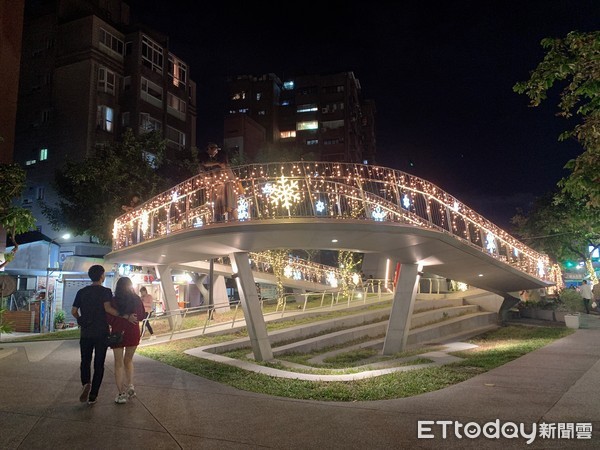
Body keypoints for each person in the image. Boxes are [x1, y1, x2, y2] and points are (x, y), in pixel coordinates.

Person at [71, 265, 135, 405]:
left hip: (86, 332)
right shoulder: (105, 291)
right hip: (101, 332)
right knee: (99, 364)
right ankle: (93, 396)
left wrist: (80, 319)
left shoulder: (82, 292)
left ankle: (85, 383)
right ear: (101, 276)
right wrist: (123, 316)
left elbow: (74, 311)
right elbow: (108, 308)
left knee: (85, 361)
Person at [107, 277, 145, 404]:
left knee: (118, 363)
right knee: (129, 360)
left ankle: (121, 394)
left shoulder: (113, 301)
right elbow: (141, 316)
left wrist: (119, 319)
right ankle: (130, 386)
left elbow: (109, 318)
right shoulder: (136, 299)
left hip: (118, 333)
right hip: (133, 333)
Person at [199, 143, 238, 221]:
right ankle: (222, 220)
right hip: (219, 183)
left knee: (229, 203)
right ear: (210, 149)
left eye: (216, 150)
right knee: (220, 204)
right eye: (215, 150)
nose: (216, 152)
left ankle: (235, 220)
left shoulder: (221, 157)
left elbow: (222, 165)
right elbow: (204, 165)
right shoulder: (210, 159)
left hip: (226, 182)